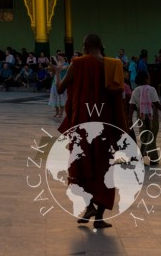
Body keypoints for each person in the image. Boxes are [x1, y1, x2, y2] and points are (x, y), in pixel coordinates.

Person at [55, 34, 129, 229]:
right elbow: (118, 98)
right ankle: (99, 217)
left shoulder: (77, 64)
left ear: (86, 46)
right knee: (105, 168)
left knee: (81, 164)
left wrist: (56, 72)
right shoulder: (113, 65)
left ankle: (89, 207)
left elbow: (61, 89)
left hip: (83, 124)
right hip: (105, 124)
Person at [129, 72, 161, 165]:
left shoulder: (135, 90)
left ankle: (143, 156)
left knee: (145, 135)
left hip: (141, 114)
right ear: (146, 79)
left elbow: (132, 105)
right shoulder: (151, 89)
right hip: (151, 114)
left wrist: (129, 118)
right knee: (152, 135)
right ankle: (152, 158)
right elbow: (157, 104)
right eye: (149, 77)